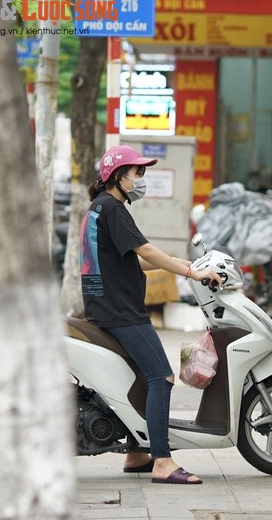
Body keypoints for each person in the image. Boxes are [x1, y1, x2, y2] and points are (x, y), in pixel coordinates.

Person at [80, 145, 221, 485]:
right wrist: (190, 271)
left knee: (142, 378)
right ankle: (162, 461)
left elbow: (129, 258)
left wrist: (170, 263)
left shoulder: (98, 209)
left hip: (106, 307)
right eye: (136, 172)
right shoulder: (113, 208)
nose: (140, 179)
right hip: (122, 312)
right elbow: (144, 249)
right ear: (117, 176)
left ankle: (137, 453)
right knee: (162, 377)